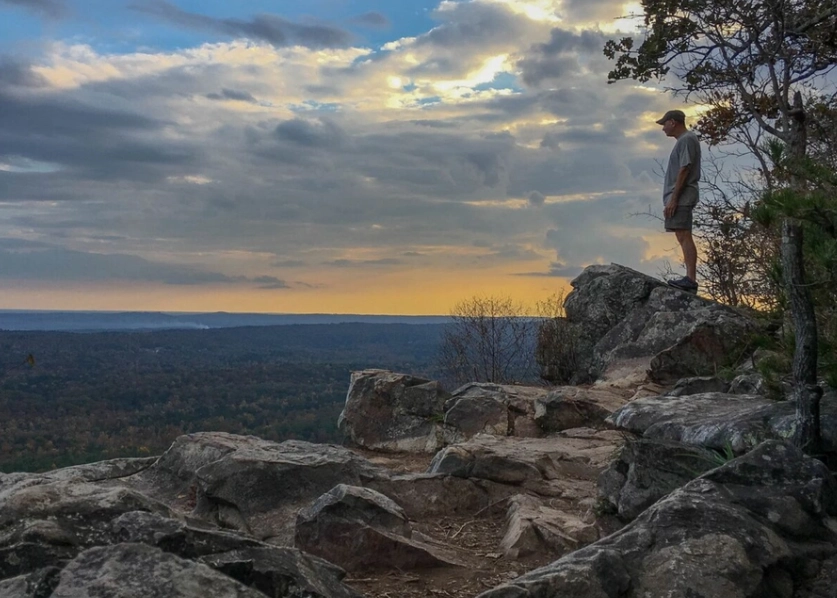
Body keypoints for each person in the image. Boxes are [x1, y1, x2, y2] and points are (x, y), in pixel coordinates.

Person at [656, 109, 701, 292]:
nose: (663, 128)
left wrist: (674, 199)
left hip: (682, 196)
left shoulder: (687, 139)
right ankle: (689, 279)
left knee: (684, 234)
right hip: (679, 196)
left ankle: (690, 279)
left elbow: (685, 169)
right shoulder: (684, 140)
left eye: (664, 124)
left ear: (673, 122)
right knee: (681, 235)